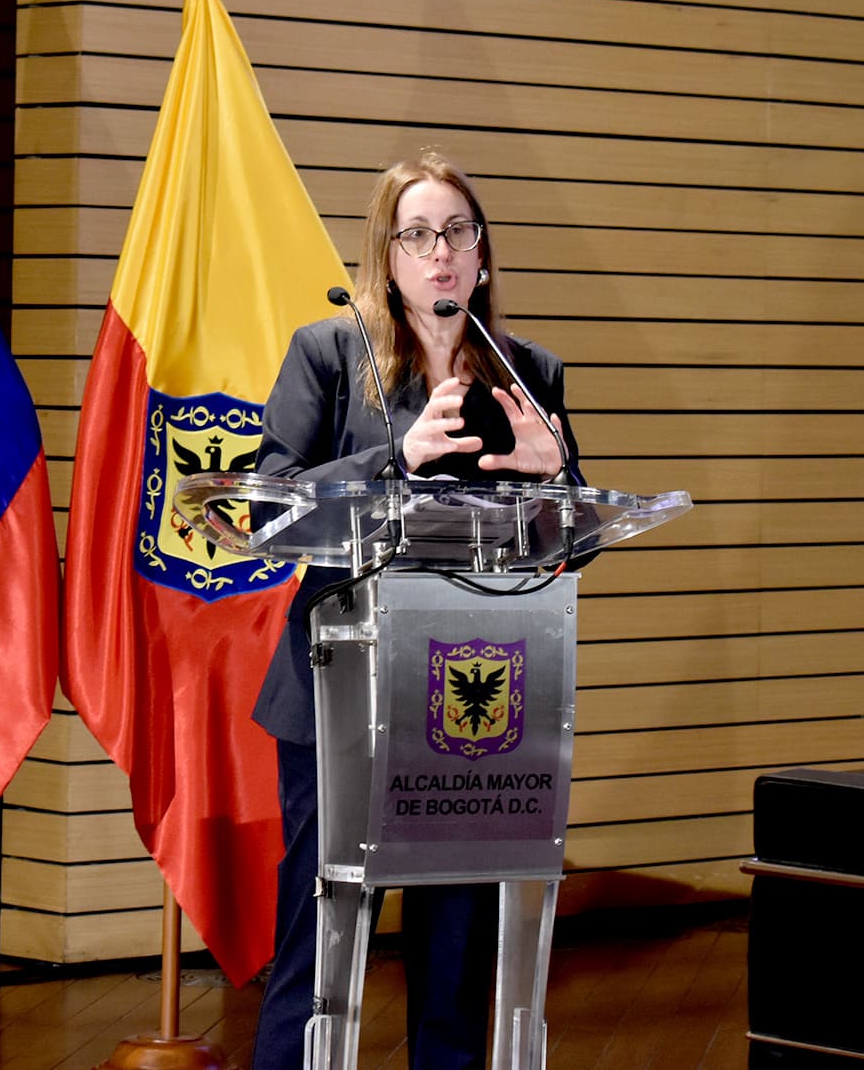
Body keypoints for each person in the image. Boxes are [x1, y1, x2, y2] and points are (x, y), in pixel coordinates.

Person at [248, 152, 588, 1070]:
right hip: (339, 691)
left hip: (475, 693)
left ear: (482, 255)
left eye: (458, 232)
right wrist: (395, 458)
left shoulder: (527, 372)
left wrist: (556, 477)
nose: (441, 252)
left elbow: (579, 538)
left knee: (457, 952)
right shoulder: (330, 355)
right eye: (418, 235)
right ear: (387, 256)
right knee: (320, 941)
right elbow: (271, 508)